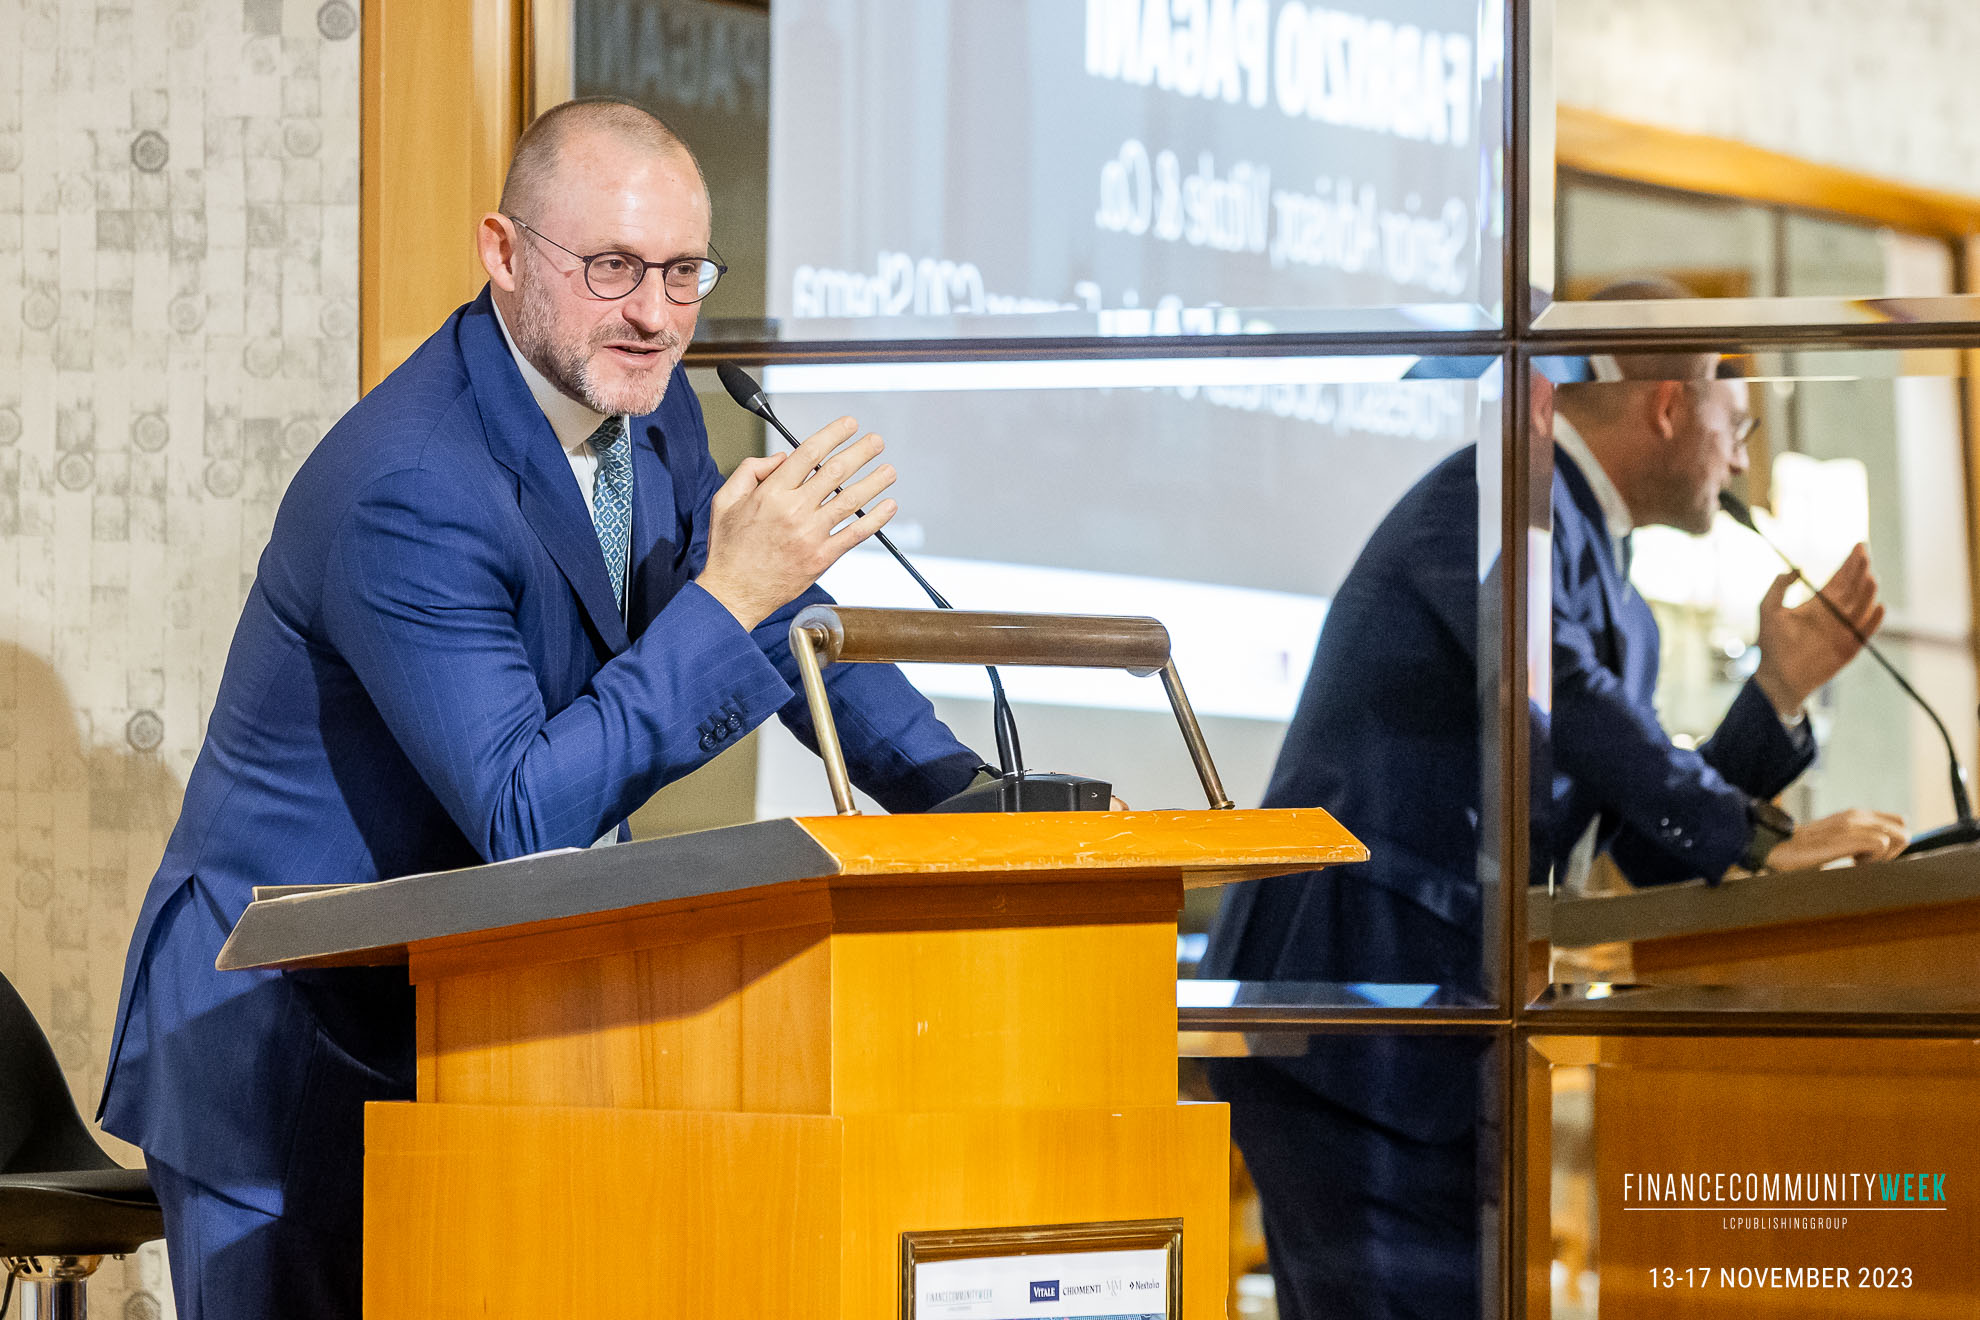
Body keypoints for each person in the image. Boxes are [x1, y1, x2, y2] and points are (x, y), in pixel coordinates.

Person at [97, 98, 984, 1319]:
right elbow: (525, 808)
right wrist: (732, 594)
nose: (656, 313)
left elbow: (773, 612)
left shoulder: (647, 409)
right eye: (613, 266)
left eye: (683, 272)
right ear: (503, 252)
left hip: (487, 1027)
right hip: (293, 1045)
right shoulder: (410, 484)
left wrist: (962, 797)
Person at [1201, 312, 1908, 1319]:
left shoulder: (1616, 595)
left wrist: (1777, 695)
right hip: (1357, 1015)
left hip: (1449, 1046)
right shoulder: (1492, 498)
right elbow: (1555, 689)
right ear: (1670, 406)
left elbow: (1639, 845)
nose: (1741, 461)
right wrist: (1756, 838)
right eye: (1738, 426)